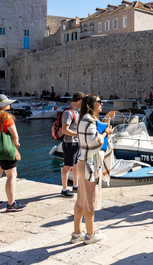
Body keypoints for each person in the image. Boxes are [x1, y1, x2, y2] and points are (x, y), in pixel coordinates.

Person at [71, 94, 115, 244]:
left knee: (81, 200)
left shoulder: (85, 119)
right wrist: (105, 134)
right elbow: (93, 142)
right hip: (91, 164)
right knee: (90, 201)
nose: (102, 103)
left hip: (83, 162)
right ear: (91, 104)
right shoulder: (89, 121)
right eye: (99, 102)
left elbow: (100, 125)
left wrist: (107, 119)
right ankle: (90, 234)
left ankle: (77, 233)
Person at [60, 92, 85, 198]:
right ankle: (64, 189)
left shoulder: (76, 112)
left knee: (75, 166)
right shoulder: (68, 113)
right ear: (79, 101)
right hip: (69, 143)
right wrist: (79, 134)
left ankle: (75, 186)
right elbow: (65, 130)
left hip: (76, 142)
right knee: (67, 167)